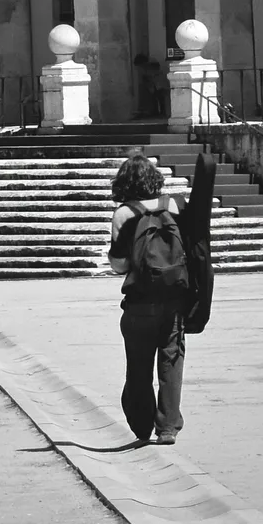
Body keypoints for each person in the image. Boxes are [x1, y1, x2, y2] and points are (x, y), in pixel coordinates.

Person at [108, 151, 186, 445]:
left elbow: (118, 264)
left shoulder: (124, 214)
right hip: (174, 297)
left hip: (139, 300)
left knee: (138, 366)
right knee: (172, 360)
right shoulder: (177, 207)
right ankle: (168, 427)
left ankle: (142, 425)